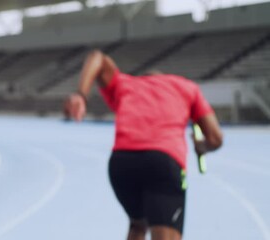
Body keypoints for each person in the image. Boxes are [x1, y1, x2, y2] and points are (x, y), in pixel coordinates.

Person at [64, 50, 223, 240]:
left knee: (138, 224)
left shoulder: (127, 83)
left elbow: (96, 56)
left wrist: (81, 95)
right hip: (163, 162)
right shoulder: (186, 87)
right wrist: (200, 146)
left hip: (122, 165)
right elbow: (215, 138)